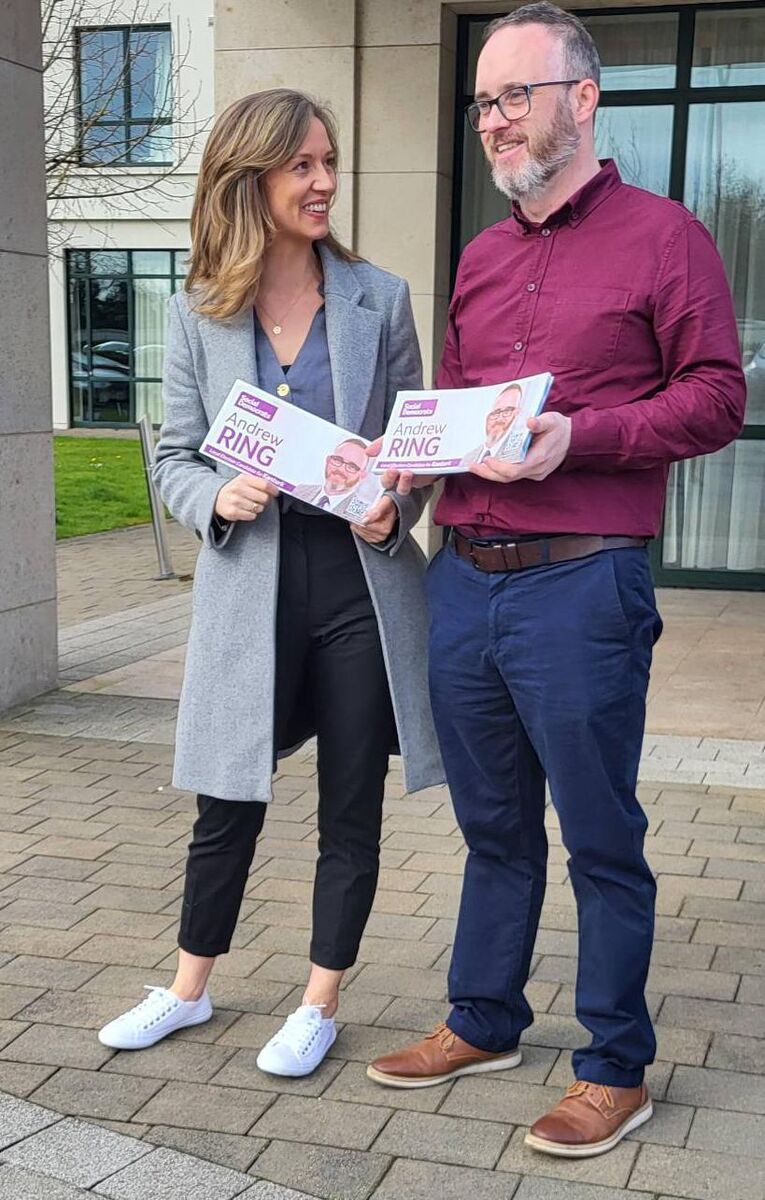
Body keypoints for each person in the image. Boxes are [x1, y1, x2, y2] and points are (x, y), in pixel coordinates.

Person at [367, 2, 745, 1158]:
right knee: (491, 827)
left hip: (583, 587)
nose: (493, 120)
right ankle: (482, 1018)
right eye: (483, 101)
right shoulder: (479, 261)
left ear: (583, 99)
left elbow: (718, 396)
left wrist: (579, 437)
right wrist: (402, 484)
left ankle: (613, 1063)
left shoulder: (666, 238)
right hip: (466, 580)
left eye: (513, 95)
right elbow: (451, 421)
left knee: (599, 834)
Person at [97, 88, 443, 1077]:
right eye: (303, 166)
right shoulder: (198, 311)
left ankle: (319, 1002)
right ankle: (188, 989)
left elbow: (414, 450)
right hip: (252, 584)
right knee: (227, 798)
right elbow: (171, 459)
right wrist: (218, 495)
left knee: (349, 804)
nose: (326, 181)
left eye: (329, 161)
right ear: (251, 180)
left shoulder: (381, 299)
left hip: (360, 587)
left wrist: (397, 502)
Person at [294, 437, 372, 516]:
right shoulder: (300, 490)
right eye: (337, 460)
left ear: (362, 475)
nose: (341, 469)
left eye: (352, 467)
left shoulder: (363, 513)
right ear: (328, 460)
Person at [460, 383, 523, 467]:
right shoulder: (468, 458)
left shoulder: (518, 454)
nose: (499, 419)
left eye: (507, 412)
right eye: (496, 412)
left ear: (517, 414)